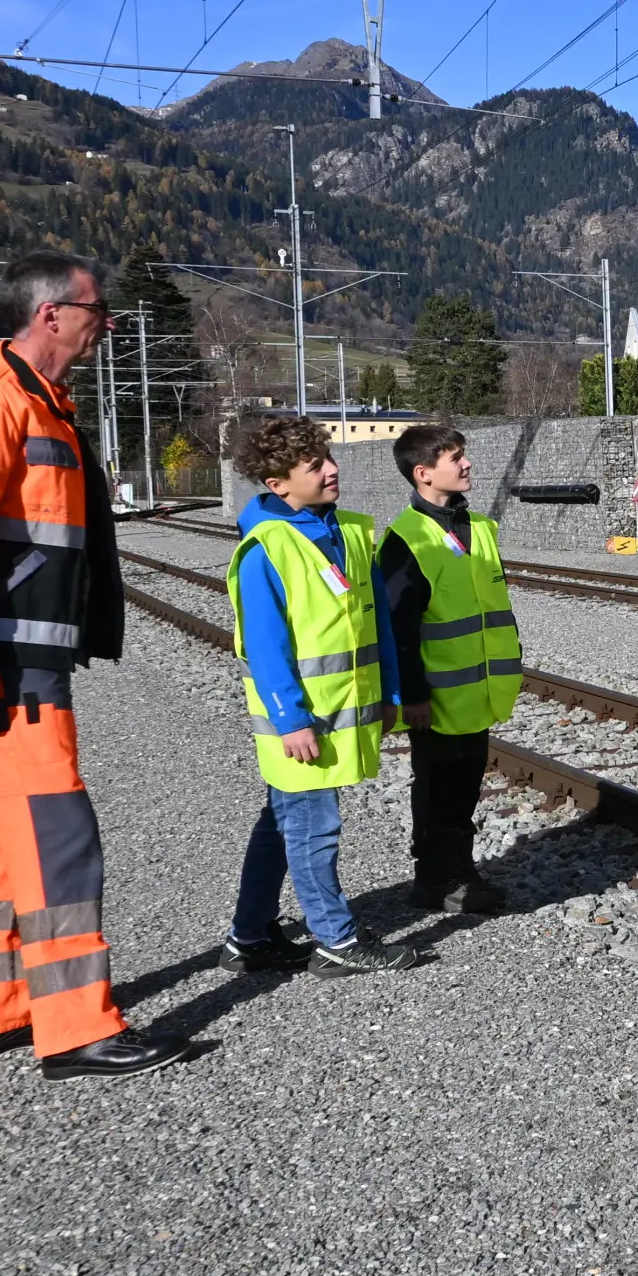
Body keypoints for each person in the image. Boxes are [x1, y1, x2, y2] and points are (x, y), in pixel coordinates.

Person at [0, 250, 183, 1079]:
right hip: (6, 663)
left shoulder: (40, 404)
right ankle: (78, 1026)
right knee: (58, 837)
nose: (108, 324)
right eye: (97, 309)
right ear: (49, 314)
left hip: (24, 654)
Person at [220, 416, 430, 977]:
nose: (333, 470)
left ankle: (248, 937)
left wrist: (389, 692)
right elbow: (264, 648)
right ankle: (336, 940)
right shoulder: (267, 548)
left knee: (282, 822)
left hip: (338, 713)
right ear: (278, 484)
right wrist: (291, 720)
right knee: (313, 827)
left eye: (328, 458)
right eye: (315, 466)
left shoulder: (347, 532)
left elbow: (377, 622)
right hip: (302, 723)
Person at [375, 423, 519, 912]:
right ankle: (435, 880)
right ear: (423, 473)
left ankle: (460, 868)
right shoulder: (405, 539)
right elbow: (398, 628)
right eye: (455, 457)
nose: (467, 463)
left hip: (476, 692)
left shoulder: (478, 528)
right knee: (438, 788)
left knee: (465, 785)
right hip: (435, 698)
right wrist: (411, 694)